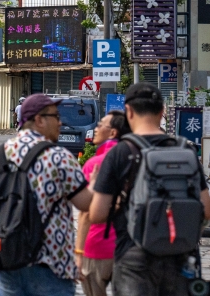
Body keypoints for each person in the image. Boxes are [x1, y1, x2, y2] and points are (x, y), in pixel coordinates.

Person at [90, 83, 210, 296]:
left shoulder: (120, 152)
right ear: (162, 111)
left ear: (128, 111)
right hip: (181, 255)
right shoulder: (185, 150)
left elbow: (97, 214)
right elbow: (208, 211)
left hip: (134, 256)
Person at [0, 94, 92, 296]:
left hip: (8, 261)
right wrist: (97, 183)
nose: (61, 122)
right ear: (39, 120)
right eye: (56, 116)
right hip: (52, 266)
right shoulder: (60, 156)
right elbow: (86, 204)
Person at [75, 110, 131, 296]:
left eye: (101, 125)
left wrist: (78, 252)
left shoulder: (94, 164)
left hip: (97, 245)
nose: (96, 128)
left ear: (113, 133)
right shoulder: (135, 159)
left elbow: (85, 213)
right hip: (128, 248)